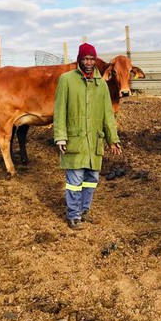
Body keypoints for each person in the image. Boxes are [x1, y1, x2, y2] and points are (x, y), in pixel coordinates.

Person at [53, 43, 122, 230]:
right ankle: (73, 216)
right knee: (74, 182)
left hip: (94, 142)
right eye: (85, 59)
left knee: (91, 180)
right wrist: (60, 136)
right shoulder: (66, 80)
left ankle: (83, 211)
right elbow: (59, 110)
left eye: (92, 59)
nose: (89, 63)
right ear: (79, 60)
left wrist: (112, 140)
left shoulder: (101, 85)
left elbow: (108, 115)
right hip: (74, 140)